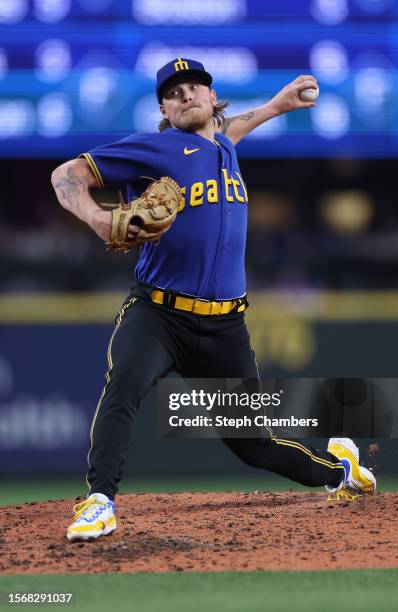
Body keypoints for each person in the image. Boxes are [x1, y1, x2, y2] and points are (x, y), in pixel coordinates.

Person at [51, 58, 376, 542]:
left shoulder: (222, 145)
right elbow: (66, 174)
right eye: (174, 91)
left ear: (210, 96)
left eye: (194, 87)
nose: (185, 95)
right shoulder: (154, 147)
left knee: (253, 447)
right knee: (123, 385)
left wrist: (277, 105)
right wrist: (98, 219)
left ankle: (341, 472)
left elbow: (233, 129)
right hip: (158, 314)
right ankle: (100, 501)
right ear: (162, 106)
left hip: (225, 329)